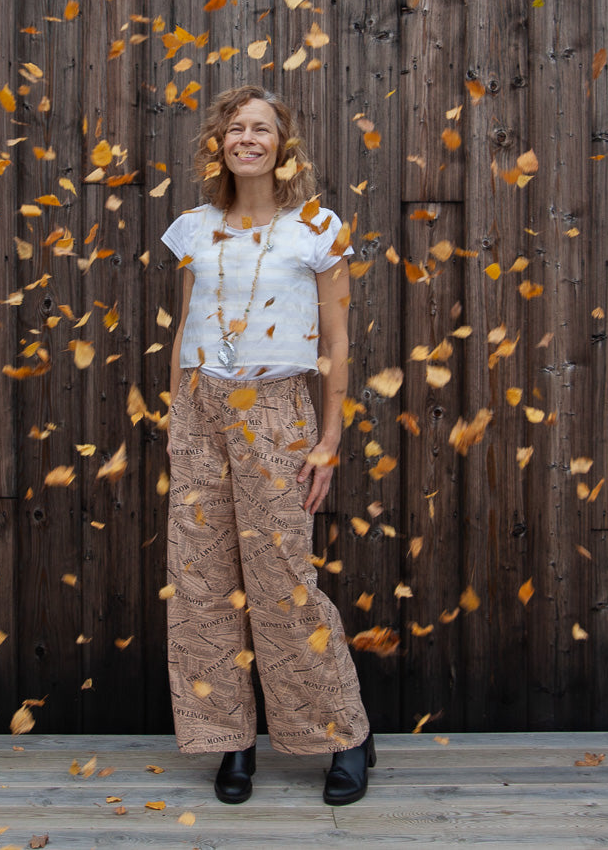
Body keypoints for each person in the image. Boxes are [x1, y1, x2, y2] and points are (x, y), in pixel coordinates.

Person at [161, 85, 374, 806]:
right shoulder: (192, 228)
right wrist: (174, 417)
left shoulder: (316, 227)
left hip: (278, 409)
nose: (247, 138)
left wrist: (332, 434)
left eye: (262, 128)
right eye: (235, 128)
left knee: (283, 578)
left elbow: (340, 340)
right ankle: (230, 741)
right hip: (199, 410)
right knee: (200, 579)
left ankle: (344, 732)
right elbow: (185, 327)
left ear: (284, 146)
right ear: (218, 143)